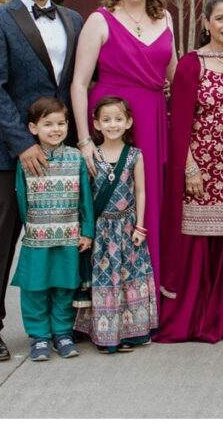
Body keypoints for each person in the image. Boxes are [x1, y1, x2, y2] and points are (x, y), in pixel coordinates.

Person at [0, 0, 84, 362]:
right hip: (11, 152)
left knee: (65, 238)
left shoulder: (74, 20)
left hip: (64, 152)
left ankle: (63, 324)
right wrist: (23, 144)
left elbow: (77, 83)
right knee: (1, 237)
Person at [71, 0, 177, 288]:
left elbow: (175, 75)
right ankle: (106, 296)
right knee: (114, 204)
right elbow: (79, 84)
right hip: (112, 123)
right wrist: (86, 140)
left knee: (149, 200)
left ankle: (148, 293)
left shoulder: (165, 18)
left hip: (153, 119)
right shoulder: (99, 20)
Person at [156, 0, 223, 343]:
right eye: (220, 19)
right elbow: (179, 122)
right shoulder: (191, 64)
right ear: (206, 22)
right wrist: (189, 168)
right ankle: (195, 318)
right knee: (197, 243)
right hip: (199, 166)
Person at [11, 97, 94, 361]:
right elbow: (22, 199)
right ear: (34, 128)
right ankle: (39, 336)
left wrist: (87, 231)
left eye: (61, 123)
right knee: (35, 288)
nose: (56, 129)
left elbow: (85, 199)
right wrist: (33, 227)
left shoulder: (76, 158)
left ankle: (62, 333)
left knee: (65, 286)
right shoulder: (28, 160)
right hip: (38, 236)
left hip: (69, 235)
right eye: (48, 124)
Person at [73, 96, 158, 352]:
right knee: (105, 279)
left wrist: (140, 225)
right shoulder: (89, 156)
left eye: (118, 119)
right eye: (106, 120)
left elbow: (141, 191)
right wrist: (85, 229)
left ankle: (131, 332)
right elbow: (84, 196)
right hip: (101, 230)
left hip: (128, 228)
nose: (113, 125)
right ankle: (106, 334)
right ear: (96, 124)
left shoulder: (134, 156)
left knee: (129, 278)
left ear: (128, 122)